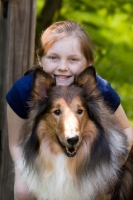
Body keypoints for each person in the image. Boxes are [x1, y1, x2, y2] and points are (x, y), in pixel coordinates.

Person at [6, 20, 133, 200]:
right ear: (40, 59)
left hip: (95, 159)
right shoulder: (24, 90)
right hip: (38, 159)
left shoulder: (98, 88)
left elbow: (127, 129)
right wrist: (30, 174)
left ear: (87, 63)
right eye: (53, 58)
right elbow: (16, 144)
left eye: (73, 59)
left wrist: (114, 165)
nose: (63, 67)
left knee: (101, 188)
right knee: (23, 192)